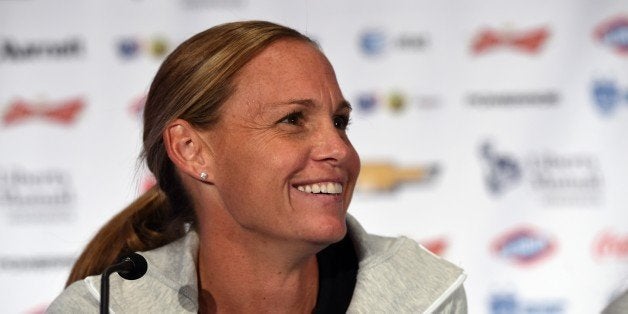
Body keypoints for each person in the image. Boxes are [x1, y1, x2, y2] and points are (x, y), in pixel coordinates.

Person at [47, 20, 467, 313]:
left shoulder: (424, 295)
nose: (338, 148)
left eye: (340, 122)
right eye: (292, 120)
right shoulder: (101, 307)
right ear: (192, 149)